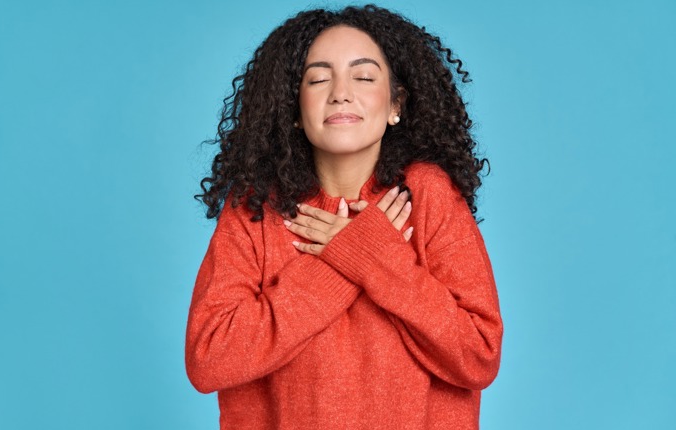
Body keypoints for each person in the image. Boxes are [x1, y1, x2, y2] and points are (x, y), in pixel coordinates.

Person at [185, 4, 503, 429]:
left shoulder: (427, 195)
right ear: (294, 110)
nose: (340, 92)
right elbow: (210, 357)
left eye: (364, 76)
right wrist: (350, 257)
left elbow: (478, 354)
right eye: (318, 78)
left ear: (396, 103)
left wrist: (375, 260)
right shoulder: (256, 206)